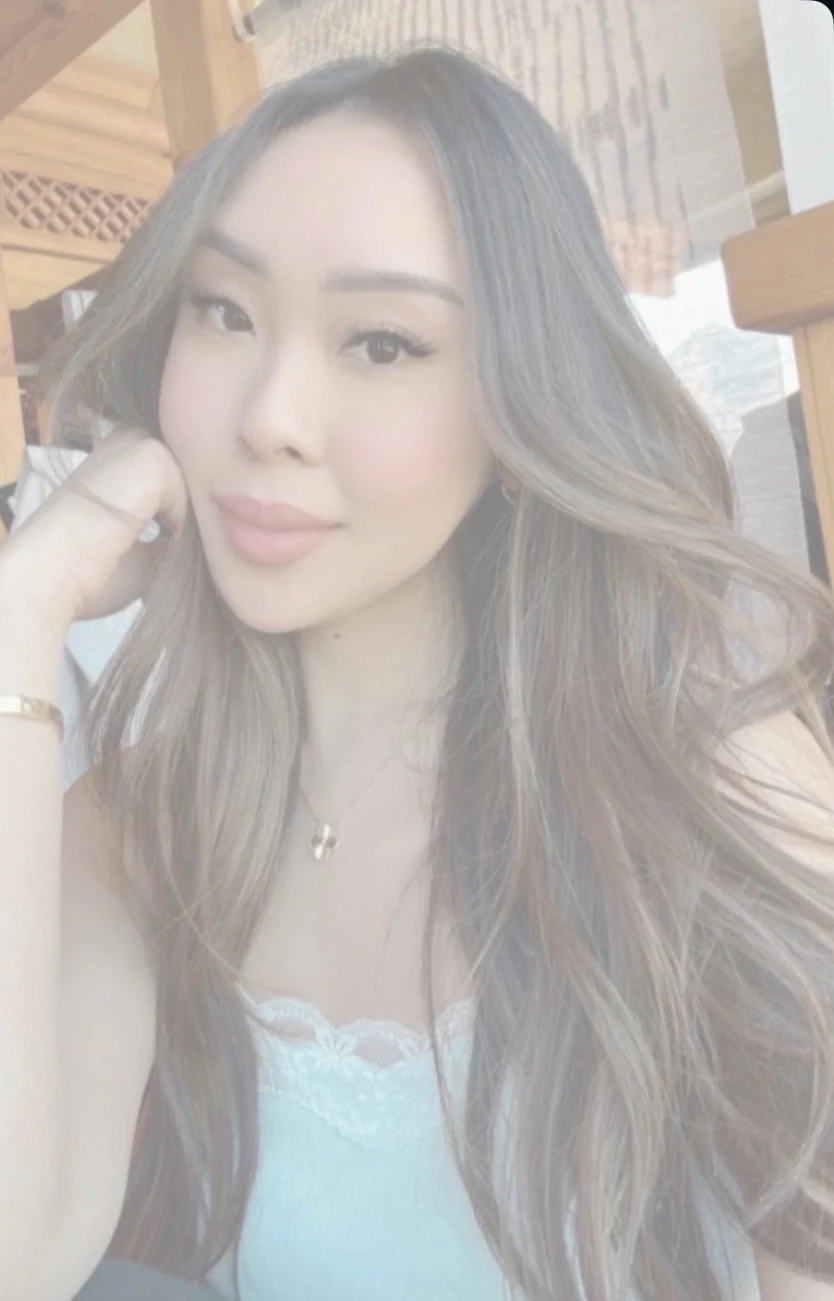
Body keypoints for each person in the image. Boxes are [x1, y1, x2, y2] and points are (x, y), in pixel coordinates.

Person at [2, 44, 834, 1301]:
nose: (269, 412)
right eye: (223, 310)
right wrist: (21, 617)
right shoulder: (139, 823)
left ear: (520, 405)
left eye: (382, 343)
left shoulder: (694, 758)